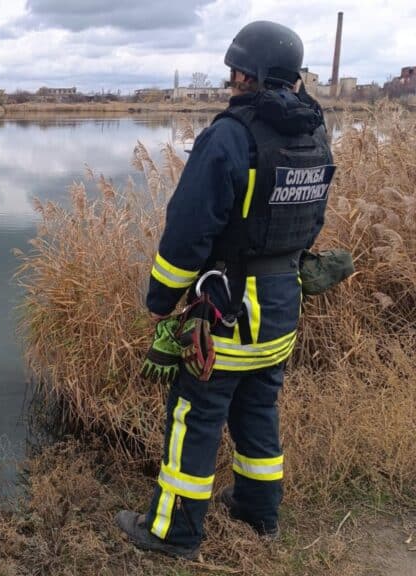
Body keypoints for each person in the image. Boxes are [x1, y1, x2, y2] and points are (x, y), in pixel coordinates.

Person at [116, 21, 334, 560]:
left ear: (247, 73)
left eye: (234, 70)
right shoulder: (315, 134)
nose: (230, 79)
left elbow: (188, 229)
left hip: (229, 313)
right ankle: (260, 513)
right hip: (284, 307)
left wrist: (161, 300)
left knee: (195, 417)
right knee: (259, 410)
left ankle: (173, 533)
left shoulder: (231, 136)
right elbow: (313, 220)